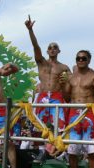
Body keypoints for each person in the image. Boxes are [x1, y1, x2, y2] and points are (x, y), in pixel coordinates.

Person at [25, 16, 71, 159]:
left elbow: (73, 81)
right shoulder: (41, 63)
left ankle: (58, 154)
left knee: (60, 126)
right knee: (38, 126)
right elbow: (35, 47)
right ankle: (38, 153)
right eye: (50, 48)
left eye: (55, 47)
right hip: (43, 96)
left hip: (57, 96)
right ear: (47, 51)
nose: (52, 49)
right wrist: (30, 30)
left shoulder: (64, 67)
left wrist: (67, 81)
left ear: (59, 51)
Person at [63, 50, 94, 168]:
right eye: (78, 58)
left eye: (83, 58)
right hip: (74, 112)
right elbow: (66, 97)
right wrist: (64, 86)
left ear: (89, 60)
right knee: (72, 149)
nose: (80, 60)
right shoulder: (71, 77)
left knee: (91, 149)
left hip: (89, 112)